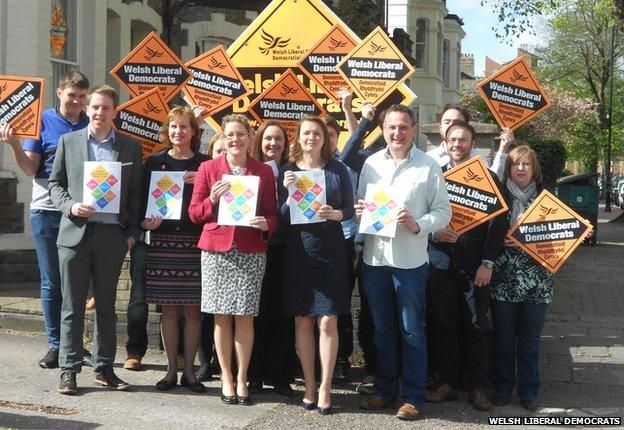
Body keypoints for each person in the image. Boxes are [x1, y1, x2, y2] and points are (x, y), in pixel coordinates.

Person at [356, 104, 452, 421]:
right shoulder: (370, 163)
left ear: (414, 129)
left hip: (410, 262)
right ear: (383, 130)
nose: (397, 133)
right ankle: (385, 390)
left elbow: (443, 213)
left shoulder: (428, 166)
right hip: (374, 260)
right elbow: (362, 205)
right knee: (382, 330)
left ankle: (412, 396)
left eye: (403, 127)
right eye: (391, 127)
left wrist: (417, 223)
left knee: (411, 331)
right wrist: (360, 212)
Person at [48, 84, 143, 395]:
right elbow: (55, 185)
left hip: (111, 237)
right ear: (87, 110)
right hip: (75, 234)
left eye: (106, 108)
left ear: (114, 112)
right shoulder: (69, 141)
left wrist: (131, 235)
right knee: (71, 306)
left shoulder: (129, 147)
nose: (100, 113)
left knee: (105, 307)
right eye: (95, 107)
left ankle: (104, 368)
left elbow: (135, 196)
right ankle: (69, 370)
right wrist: (70, 206)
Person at [0, 70, 92, 369]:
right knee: (52, 282)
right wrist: (14, 143)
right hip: (48, 210)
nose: (76, 101)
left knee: (76, 283)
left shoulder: (93, 122)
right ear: (59, 93)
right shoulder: (42, 121)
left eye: (81, 96)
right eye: (71, 95)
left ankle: (76, 345)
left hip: (80, 212)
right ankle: (56, 345)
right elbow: (29, 169)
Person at [188, 114, 278, 405]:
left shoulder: (263, 172)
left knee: (245, 316)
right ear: (223, 139)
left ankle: (242, 378)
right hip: (216, 251)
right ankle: (226, 377)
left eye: (240, 134)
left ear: (250, 138)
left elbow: (272, 213)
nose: (235, 139)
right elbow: (195, 214)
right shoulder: (207, 168)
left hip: (251, 250)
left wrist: (267, 225)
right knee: (221, 316)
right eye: (230, 135)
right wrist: (212, 200)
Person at [425, 120, 508, 412]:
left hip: (476, 267)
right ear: (445, 144)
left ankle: (477, 387)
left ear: (472, 143)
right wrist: (434, 232)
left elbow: (499, 224)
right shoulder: (433, 175)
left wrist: (488, 262)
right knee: (444, 323)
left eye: (463, 140)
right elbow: (420, 215)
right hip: (440, 262)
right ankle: (447, 383)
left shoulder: (488, 178)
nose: (458, 144)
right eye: (453, 140)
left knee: (475, 325)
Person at [278, 116, 354, 415]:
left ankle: (325, 386)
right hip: (300, 252)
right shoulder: (288, 171)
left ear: (325, 138)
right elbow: (282, 216)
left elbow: (349, 208)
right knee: (304, 321)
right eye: (306, 133)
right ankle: (309, 384)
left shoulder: (337, 170)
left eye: (317, 133)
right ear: (298, 138)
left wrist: (335, 214)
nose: (312, 138)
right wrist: (285, 192)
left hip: (332, 250)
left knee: (328, 321)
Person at [139, 106, 209, 392]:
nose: (178, 132)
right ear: (166, 131)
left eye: (183, 126)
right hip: (163, 242)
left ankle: (190, 372)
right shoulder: (154, 163)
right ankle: (170, 371)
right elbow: (142, 202)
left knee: (193, 311)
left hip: (196, 244)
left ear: (193, 131)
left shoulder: (206, 164)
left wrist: (205, 180)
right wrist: (145, 223)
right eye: (173, 127)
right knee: (168, 311)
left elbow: (216, 202)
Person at [490, 145, 553, 412]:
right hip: (504, 276)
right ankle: (503, 387)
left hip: (538, 279)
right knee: (504, 337)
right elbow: (487, 231)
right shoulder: (499, 195)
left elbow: (558, 232)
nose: (521, 168)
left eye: (526, 164)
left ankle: (528, 391)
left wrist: (577, 237)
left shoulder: (546, 197)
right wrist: (501, 241)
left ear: (534, 168)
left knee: (529, 339)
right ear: (509, 167)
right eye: (516, 163)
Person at [247, 120, 295, 397]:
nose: (273, 144)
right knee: (257, 313)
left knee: (282, 313)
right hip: (257, 246)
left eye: (278, 139)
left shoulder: (293, 171)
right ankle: (254, 376)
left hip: (285, 249)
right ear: (259, 142)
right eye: (267, 139)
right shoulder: (252, 171)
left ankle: (281, 376)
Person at [427, 104, 514, 179]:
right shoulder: (429, 159)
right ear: (440, 128)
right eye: (447, 122)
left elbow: (491, 182)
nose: (452, 125)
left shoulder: (478, 157)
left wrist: (503, 148)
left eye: (457, 122)